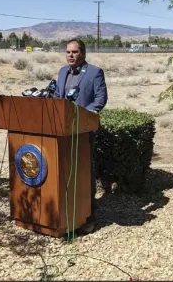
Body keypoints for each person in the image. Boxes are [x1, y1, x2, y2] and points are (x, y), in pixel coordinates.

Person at [54, 38, 108, 234]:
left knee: (84, 173)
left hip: (83, 132)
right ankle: (68, 214)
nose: (70, 55)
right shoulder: (62, 72)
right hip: (63, 133)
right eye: (68, 52)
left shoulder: (94, 72)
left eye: (74, 52)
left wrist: (81, 116)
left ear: (83, 54)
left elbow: (100, 100)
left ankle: (90, 215)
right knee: (65, 172)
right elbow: (58, 99)